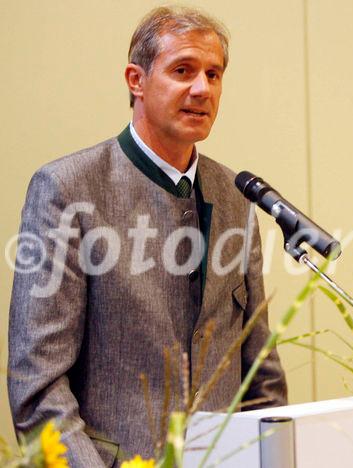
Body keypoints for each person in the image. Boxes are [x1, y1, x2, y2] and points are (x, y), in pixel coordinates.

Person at [8, 6, 287, 467]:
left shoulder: (235, 197)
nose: (202, 88)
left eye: (213, 74)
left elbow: (261, 376)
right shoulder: (66, 188)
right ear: (135, 80)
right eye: (183, 70)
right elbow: (38, 386)